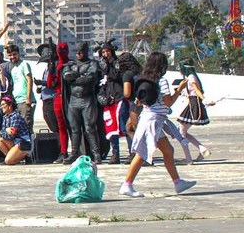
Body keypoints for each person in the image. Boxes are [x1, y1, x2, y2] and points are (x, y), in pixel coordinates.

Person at [119, 52, 196, 198]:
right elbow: (168, 103)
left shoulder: (143, 79)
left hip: (149, 118)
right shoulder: (161, 81)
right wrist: (179, 89)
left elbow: (139, 100)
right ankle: (127, 185)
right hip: (153, 121)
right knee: (143, 153)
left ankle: (178, 182)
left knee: (168, 150)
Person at [61, 42, 101, 163]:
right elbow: (66, 76)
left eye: (81, 51)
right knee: (74, 129)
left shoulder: (93, 63)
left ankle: (96, 153)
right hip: (73, 99)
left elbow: (90, 77)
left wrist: (75, 78)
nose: (79, 54)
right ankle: (74, 153)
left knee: (90, 128)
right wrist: (80, 76)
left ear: (85, 51)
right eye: (77, 52)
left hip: (87, 99)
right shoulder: (71, 64)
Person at [175, 64, 211, 162]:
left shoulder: (191, 78)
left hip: (193, 104)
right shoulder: (191, 77)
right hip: (192, 103)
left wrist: (205, 100)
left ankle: (188, 158)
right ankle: (202, 149)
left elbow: (196, 90)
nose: (179, 71)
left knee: (181, 131)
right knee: (182, 131)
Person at [0, 94, 31, 165]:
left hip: (22, 143)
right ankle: (15, 157)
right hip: (14, 141)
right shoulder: (5, 117)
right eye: (1, 105)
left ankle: (24, 156)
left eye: (3, 104)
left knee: (8, 161)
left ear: (10, 105)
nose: (1, 107)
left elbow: (11, 136)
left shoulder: (16, 116)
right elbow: (5, 134)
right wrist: (4, 131)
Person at [6, 45, 35, 136]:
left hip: (24, 101)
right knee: (18, 128)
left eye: (14, 54)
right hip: (16, 101)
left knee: (27, 126)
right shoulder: (13, 68)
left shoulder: (24, 64)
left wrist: (28, 98)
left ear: (18, 54)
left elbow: (30, 80)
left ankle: (31, 149)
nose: (12, 57)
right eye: (10, 55)